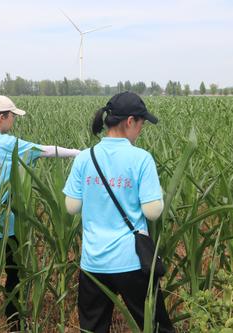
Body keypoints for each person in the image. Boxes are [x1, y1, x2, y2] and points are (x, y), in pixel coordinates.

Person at [0, 95, 80, 330]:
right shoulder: (7, 143)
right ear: (2, 117)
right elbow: (44, 151)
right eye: (12, 116)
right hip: (3, 222)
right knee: (13, 275)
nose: (13, 121)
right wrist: (77, 153)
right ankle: (14, 325)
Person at [63, 92, 175, 333]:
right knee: (154, 325)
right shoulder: (141, 158)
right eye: (142, 124)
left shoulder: (85, 157)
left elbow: (71, 207)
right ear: (130, 121)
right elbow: (153, 211)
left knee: (92, 327)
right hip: (131, 261)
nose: (141, 130)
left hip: (93, 262)